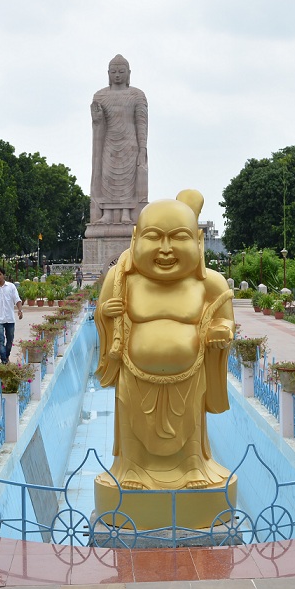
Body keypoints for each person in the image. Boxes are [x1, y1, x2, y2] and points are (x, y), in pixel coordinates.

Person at [94, 189, 235, 490]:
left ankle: (193, 467)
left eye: (179, 237)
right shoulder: (123, 280)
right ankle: (131, 468)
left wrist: (220, 332)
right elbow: (102, 316)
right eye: (154, 237)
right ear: (135, 239)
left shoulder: (209, 282)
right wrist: (106, 313)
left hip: (190, 376)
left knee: (191, 425)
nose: (166, 249)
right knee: (131, 423)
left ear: (198, 241)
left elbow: (224, 319)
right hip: (134, 377)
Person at [90, 54, 148, 226]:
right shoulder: (100, 96)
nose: (117, 75)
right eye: (113, 71)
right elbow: (98, 123)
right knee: (107, 178)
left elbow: (141, 122)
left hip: (130, 144)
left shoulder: (137, 95)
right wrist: (97, 117)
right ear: (108, 73)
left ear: (128, 73)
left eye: (121, 71)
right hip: (109, 143)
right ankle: (107, 213)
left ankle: (126, 214)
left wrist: (142, 148)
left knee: (128, 181)